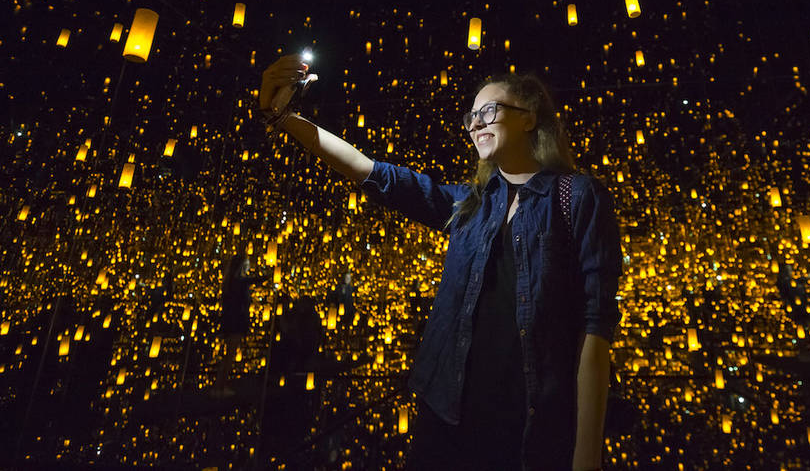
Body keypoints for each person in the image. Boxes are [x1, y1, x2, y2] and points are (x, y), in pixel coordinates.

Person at [260, 54, 623, 470]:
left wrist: (587, 455)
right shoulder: (468, 205)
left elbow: (595, 330)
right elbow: (375, 174)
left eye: (490, 111)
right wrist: (283, 118)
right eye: (471, 116)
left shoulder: (577, 196)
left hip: (530, 430)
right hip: (445, 420)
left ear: (529, 118)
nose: (476, 124)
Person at [214, 253, 267, 395]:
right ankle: (221, 387)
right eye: (246, 265)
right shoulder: (238, 282)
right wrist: (270, 274)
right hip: (235, 321)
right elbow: (253, 280)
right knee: (230, 355)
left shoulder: (230, 282)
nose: (248, 267)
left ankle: (219, 386)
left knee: (228, 355)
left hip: (229, 320)